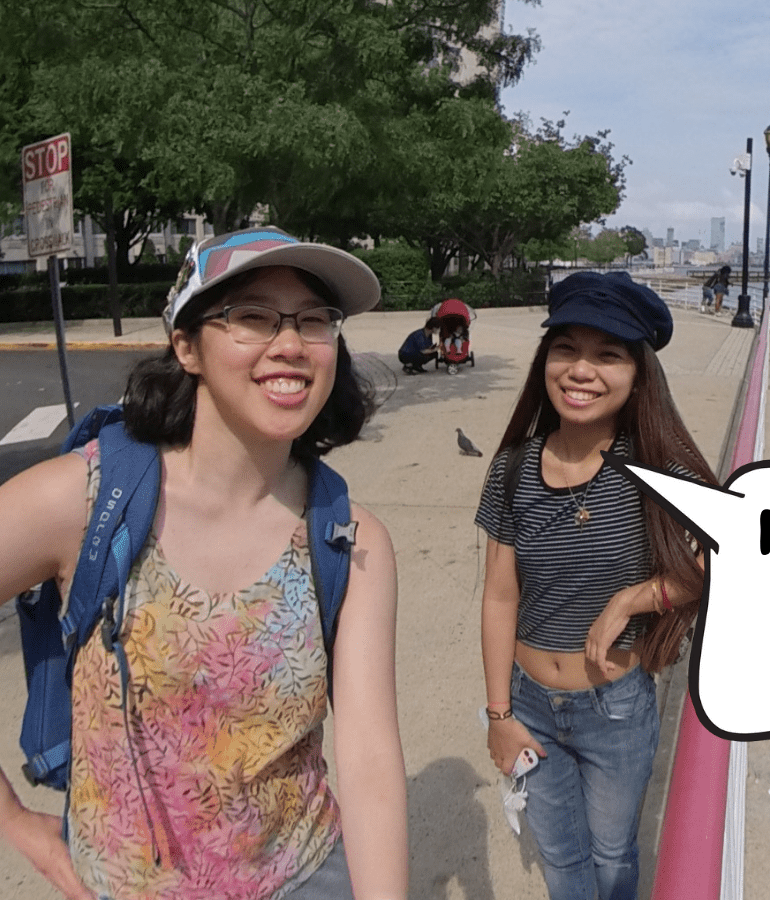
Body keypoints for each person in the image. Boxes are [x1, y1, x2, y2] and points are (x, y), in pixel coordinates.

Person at [0, 226, 408, 900]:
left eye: (314, 321)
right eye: (252, 316)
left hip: (305, 878)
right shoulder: (86, 499)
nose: (290, 344)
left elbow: (367, 761)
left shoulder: (351, 538)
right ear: (186, 346)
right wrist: (15, 823)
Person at [475, 271, 717, 900]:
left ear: (638, 374)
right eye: (567, 349)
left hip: (615, 708)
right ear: (545, 359)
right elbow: (500, 595)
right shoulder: (512, 469)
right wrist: (499, 714)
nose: (582, 370)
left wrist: (633, 600)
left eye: (608, 354)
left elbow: (728, 555)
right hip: (529, 705)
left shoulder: (654, 470)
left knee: (611, 860)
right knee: (561, 861)